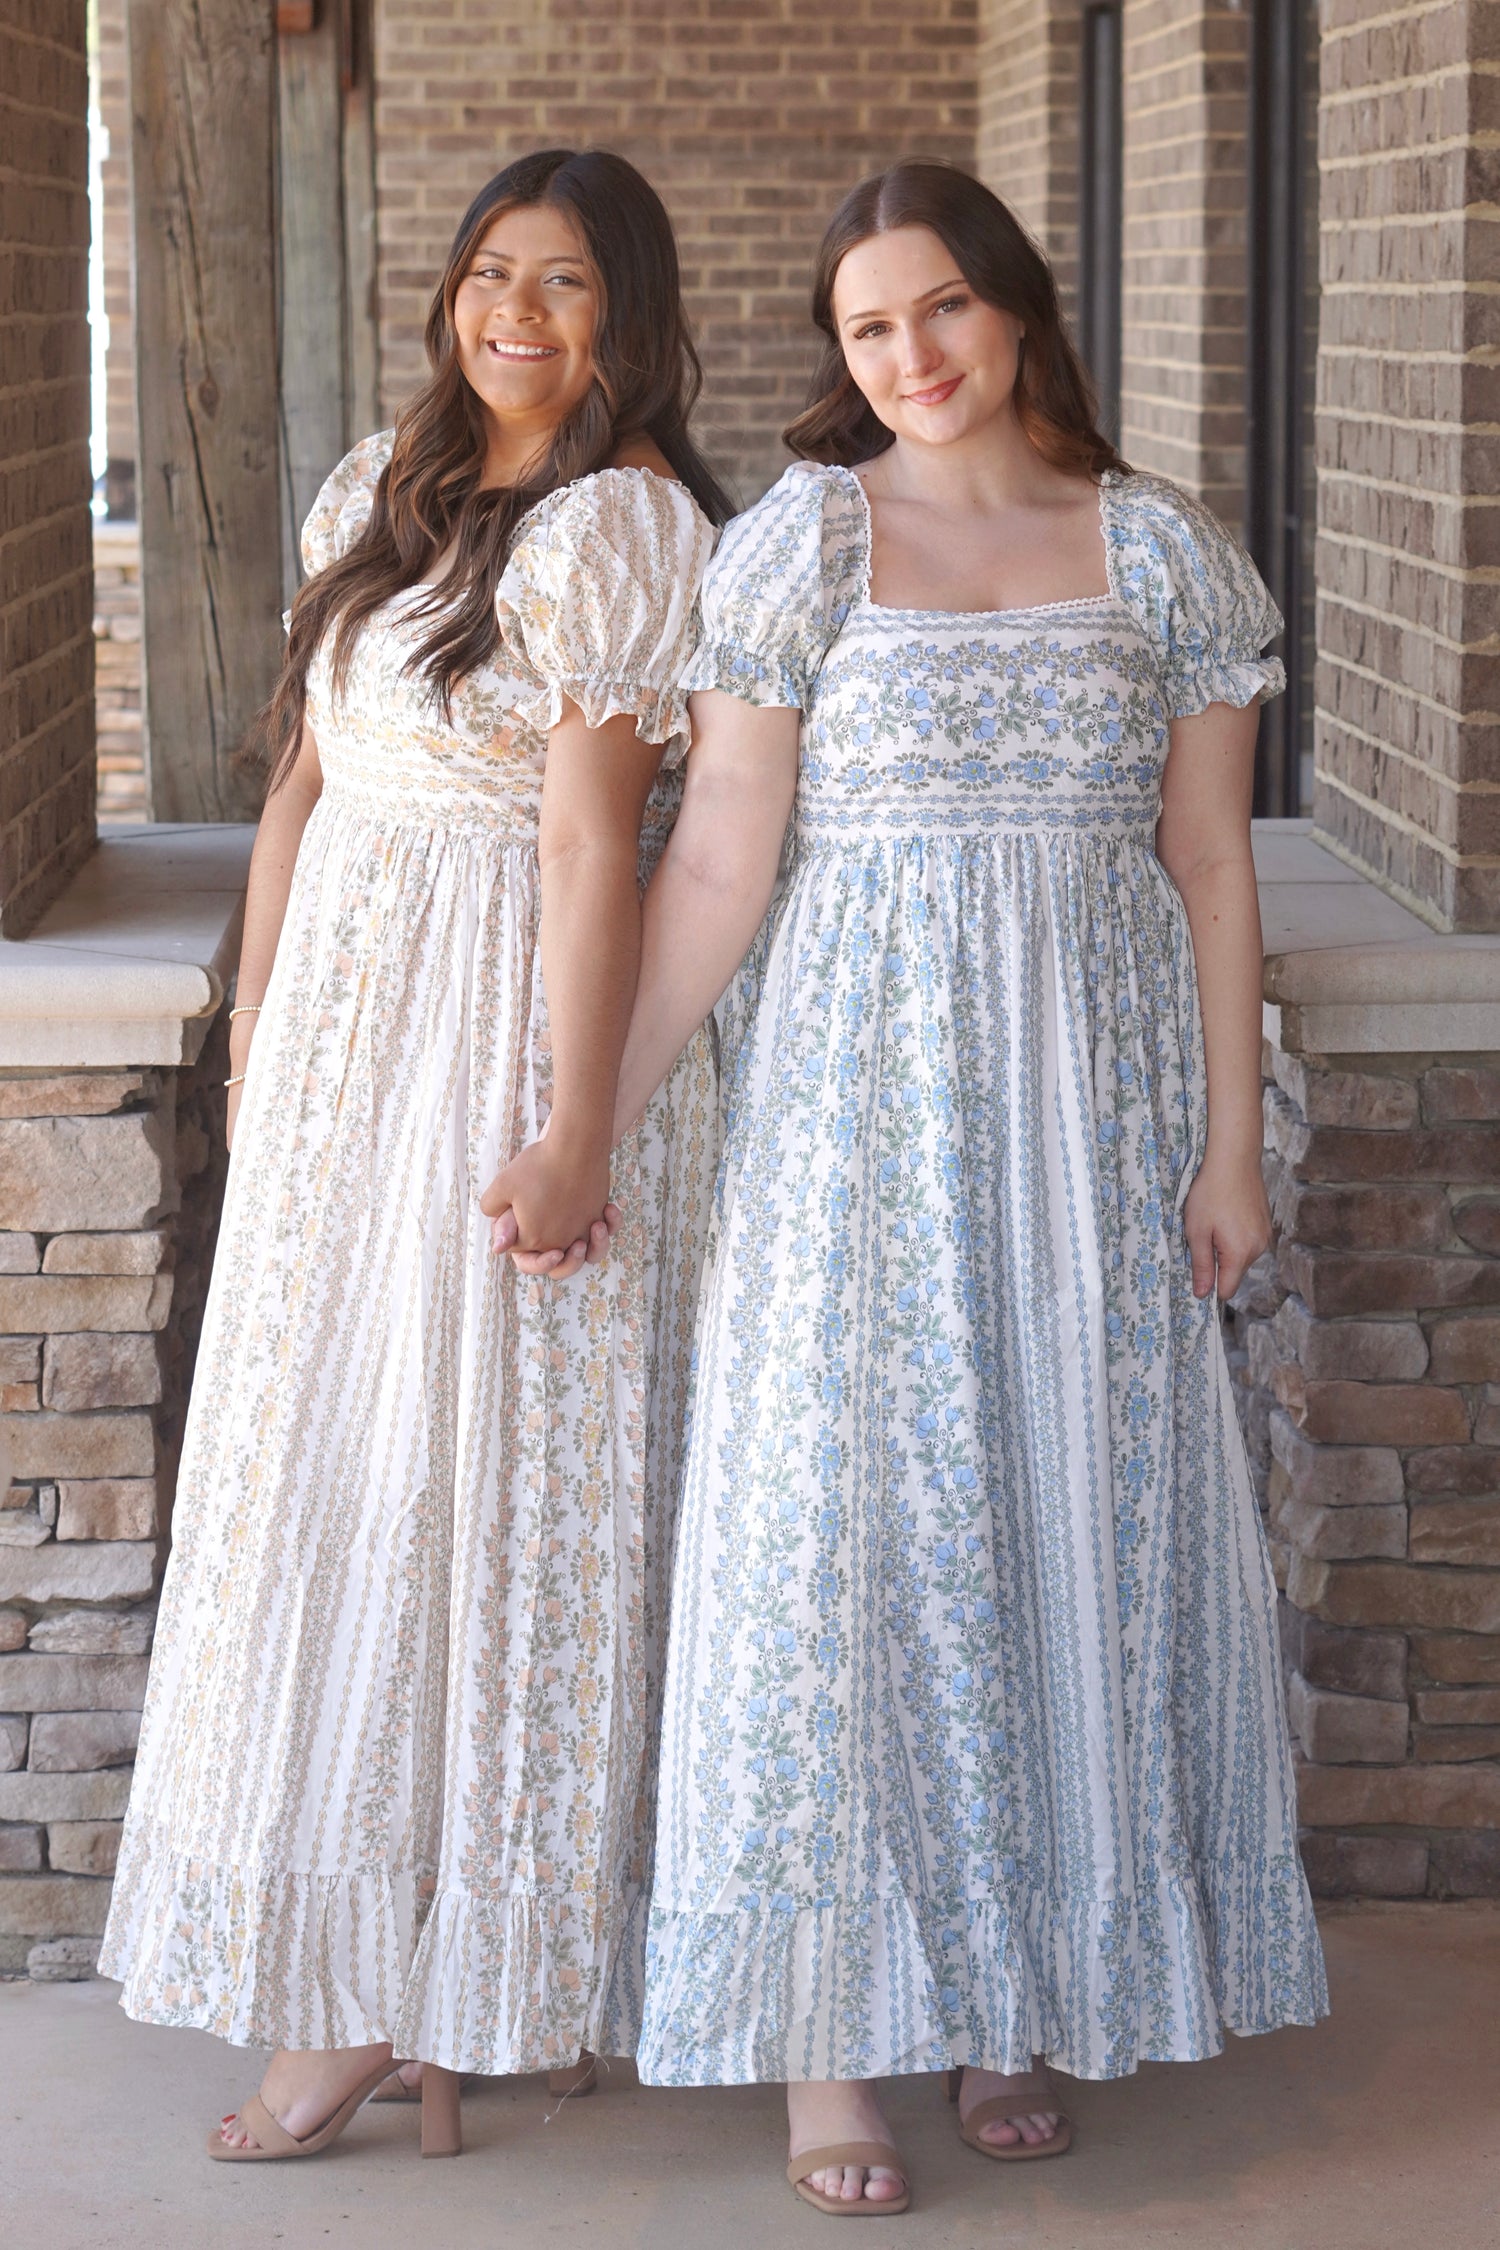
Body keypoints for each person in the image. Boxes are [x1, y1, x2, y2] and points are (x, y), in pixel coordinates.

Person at [504, 157, 1330, 2216]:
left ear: (1021, 309)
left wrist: (1230, 1139)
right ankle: (829, 2041)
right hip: (855, 1117)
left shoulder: (1160, 555)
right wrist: (586, 1114)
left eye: (944, 311)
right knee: (841, 1539)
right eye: (872, 330)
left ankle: (1013, 1997)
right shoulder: (802, 546)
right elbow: (716, 864)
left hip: (1097, 1111)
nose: (915, 359)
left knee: (1062, 1519)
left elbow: (1211, 867)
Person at [98, 146, 729, 2163]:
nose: (516, 311)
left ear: (624, 311)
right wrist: (256, 1034)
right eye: (488, 272)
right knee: (329, 1483)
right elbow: (296, 782)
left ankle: (429, 1995)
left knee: (484, 1496)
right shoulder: (380, 484)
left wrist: (569, 1123)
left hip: (485, 1039)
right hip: (338, 1059)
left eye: (562, 280)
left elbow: (583, 842)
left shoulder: (621, 530)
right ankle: (375, 1973)